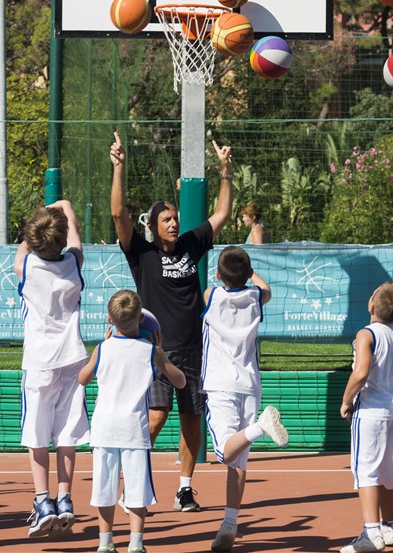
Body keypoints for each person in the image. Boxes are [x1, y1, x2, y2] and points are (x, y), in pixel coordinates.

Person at [109, 131, 234, 512]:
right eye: (166, 219)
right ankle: (128, 482)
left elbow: (223, 214)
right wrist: (119, 168)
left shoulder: (191, 245)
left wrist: (226, 173)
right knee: (155, 418)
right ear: (152, 224)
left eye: (175, 219)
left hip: (194, 349)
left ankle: (184, 488)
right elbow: (117, 213)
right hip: (156, 350)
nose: (173, 224)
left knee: (191, 421)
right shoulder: (141, 252)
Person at [79, 290, 187, 553]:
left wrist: (101, 349)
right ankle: (136, 543)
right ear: (141, 319)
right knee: (137, 489)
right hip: (133, 431)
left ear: (109, 320)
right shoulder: (151, 351)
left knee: (104, 488)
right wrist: (161, 353)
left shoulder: (102, 349)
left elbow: (82, 379)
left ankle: (105, 542)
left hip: (105, 428)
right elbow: (181, 381)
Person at [200, 246, 288, 552]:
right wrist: (248, 272)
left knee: (225, 452)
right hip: (250, 385)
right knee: (238, 460)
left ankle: (262, 427)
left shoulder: (211, 295)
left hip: (221, 384)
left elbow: (218, 284)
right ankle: (230, 522)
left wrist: (236, 273)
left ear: (219, 274)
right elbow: (266, 289)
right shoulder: (254, 298)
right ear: (247, 272)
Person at [14, 200, 90, 538]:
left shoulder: (27, 267)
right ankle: (65, 499)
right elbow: (75, 243)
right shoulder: (73, 265)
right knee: (68, 435)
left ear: (33, 242)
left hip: (40, 363)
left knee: (37, 435)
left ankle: (43, 501)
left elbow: (24, 250)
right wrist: (68, 211)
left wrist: (36, 228)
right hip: (73, 360)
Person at [339, 281, 393, 553]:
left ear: (371, 305)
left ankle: (371, 533)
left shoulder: (366, 334)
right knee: (385, 468)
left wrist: (346, 401)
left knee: (366, 471)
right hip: (392, 411)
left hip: (369, 411)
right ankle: (389, 527)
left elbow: (360, 374)